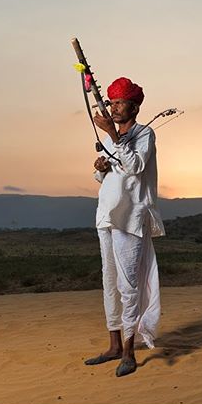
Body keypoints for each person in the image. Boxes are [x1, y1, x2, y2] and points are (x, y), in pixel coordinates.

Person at [84, 76, 165, 377]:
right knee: (109, 281)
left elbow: (135, 167)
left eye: (119, 103)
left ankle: (129, 351)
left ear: (134, 107)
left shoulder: (145, 135)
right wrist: (100, 168)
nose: (114, 108)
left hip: (130, 218)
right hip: (106, 215)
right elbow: (107, 177)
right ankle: (113, 344)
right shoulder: (110, 138)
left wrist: (115, 139)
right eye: (112, 102)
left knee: (128, 285)